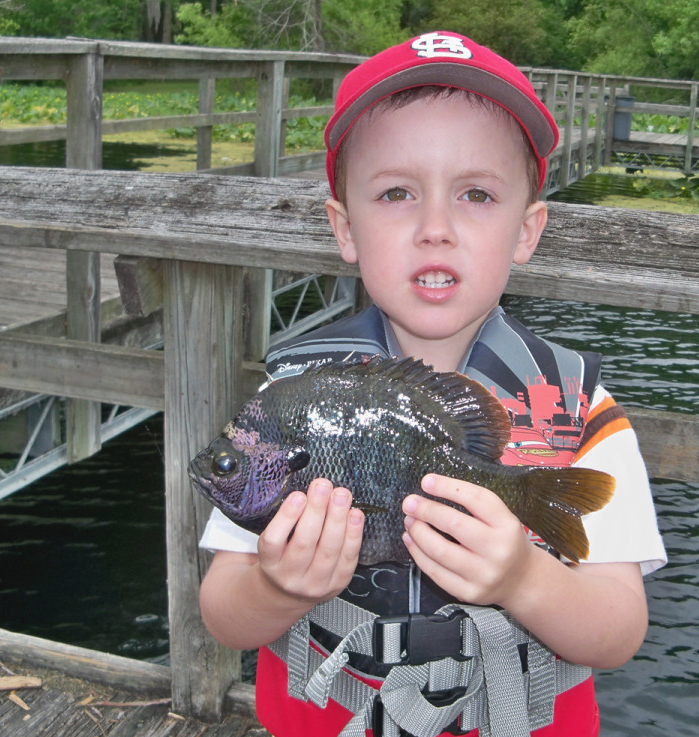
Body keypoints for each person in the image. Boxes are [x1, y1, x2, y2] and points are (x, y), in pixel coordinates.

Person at [198, 30, 666, 737]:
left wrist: (523, 579)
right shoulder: (283, 408)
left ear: (527, 231)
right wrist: (274, 582)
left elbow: (619, 629)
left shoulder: (579, 412)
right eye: (396, 193)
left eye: (476, 193)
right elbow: (222, 612)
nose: (435, 227)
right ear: (344, 227)